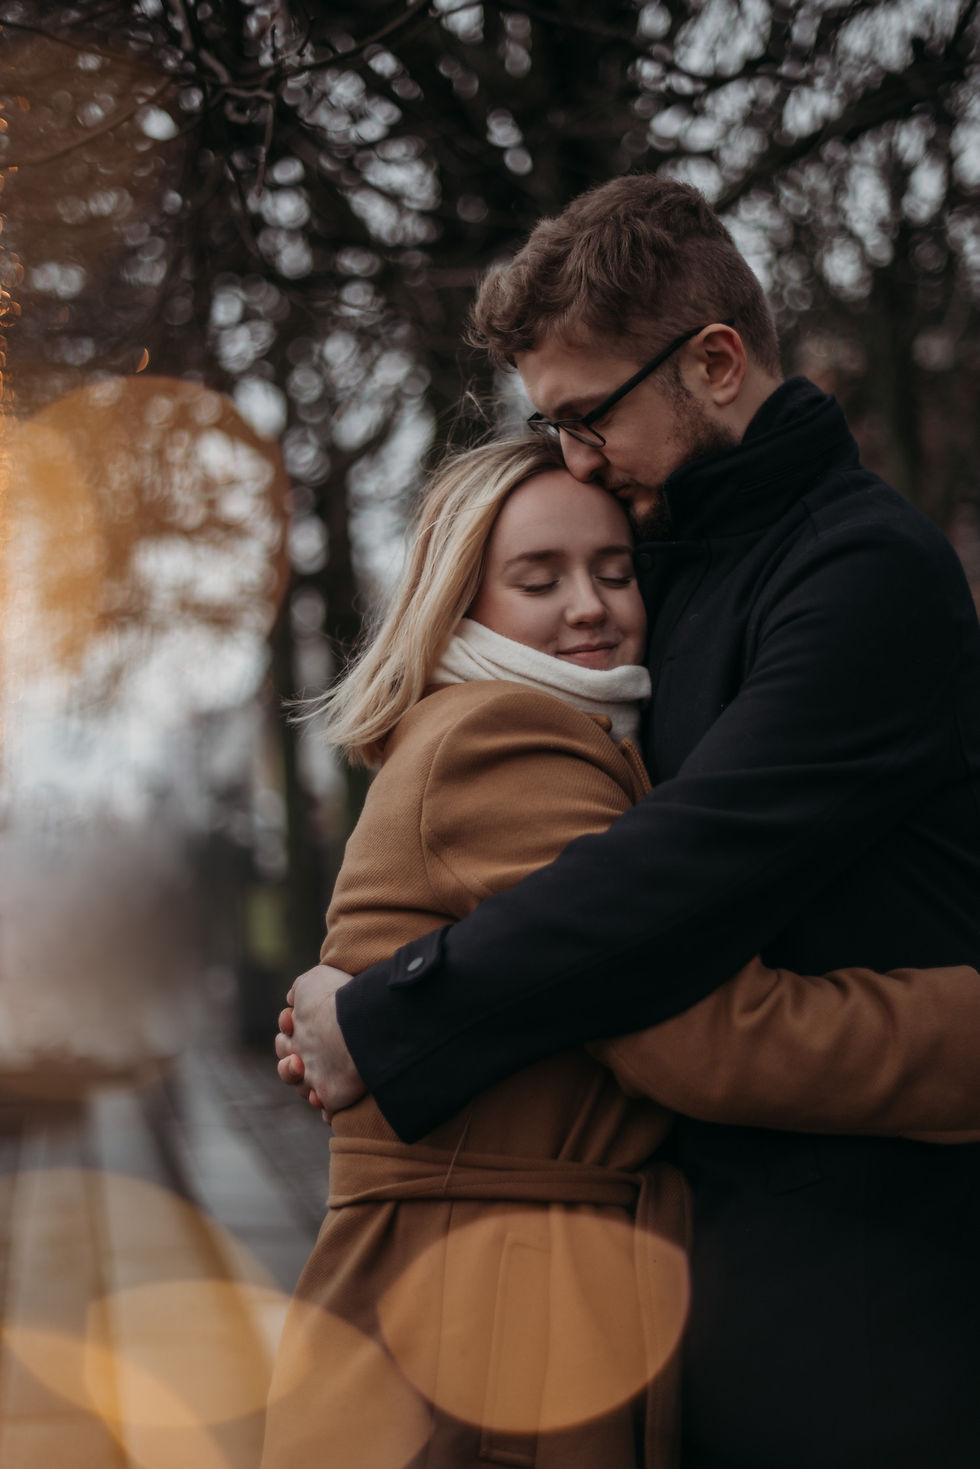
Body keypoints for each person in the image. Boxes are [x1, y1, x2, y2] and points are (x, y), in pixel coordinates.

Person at [278, 176, 980, 1469]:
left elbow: (676, 873)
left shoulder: (855, 572)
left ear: (714, 363)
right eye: (553, 428)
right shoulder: (658, 579)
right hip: (650, 1277)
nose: (579, 459)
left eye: (589, 416)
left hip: (863, 1266)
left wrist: (387, 1012)